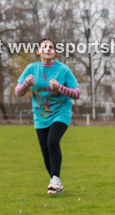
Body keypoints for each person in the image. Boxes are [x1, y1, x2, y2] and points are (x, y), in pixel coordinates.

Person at [14, 38, 81, 195]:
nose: (48, 49)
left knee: (52, 142)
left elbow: (77, 93)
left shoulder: (63, 70)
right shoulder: (31, 68)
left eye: (51, 47)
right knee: (45, 150)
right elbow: (17, 92)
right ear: (38, 51)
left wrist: (60, 88)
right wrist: (26, 84)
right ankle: (55, 182)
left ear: (55, 51)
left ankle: (55, 179)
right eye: (44, 47)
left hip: (61, 113)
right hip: (40, 116)